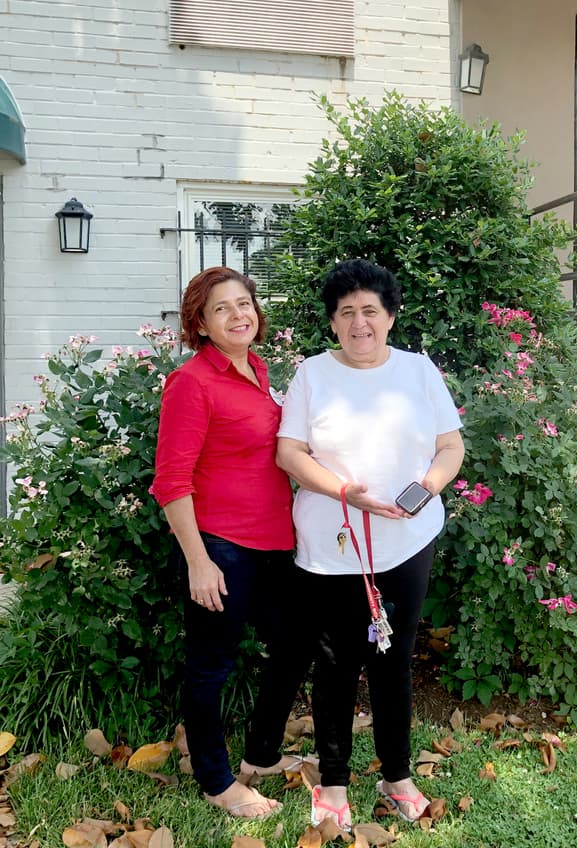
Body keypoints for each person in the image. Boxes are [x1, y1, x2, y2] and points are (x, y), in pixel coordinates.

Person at [277, 259, 464, 830]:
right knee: (334, 664)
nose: (360, 323)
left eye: (371, 312)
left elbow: (450, 448)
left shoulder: (419, 371)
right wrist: (343, 491)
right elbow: (290, 453)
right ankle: (333, 782)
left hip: (406, 542)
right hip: (333, 548)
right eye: (347, 313)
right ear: (333, 323)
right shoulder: (312, 374)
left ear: (390, 316)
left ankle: (397, 774)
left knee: (394, 661)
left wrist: (426, 490)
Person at [150, 266, 312, 818]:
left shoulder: (258, 371)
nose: (239, 314)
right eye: (222, 308)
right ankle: (217, 782)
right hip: (219, 546)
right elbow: (171, 481)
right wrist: (198, 561)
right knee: (210, 666)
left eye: (245, 303)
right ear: (200, 322)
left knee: (295, 645)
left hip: (272, 546)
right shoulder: (192, 382)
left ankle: (261, 755)